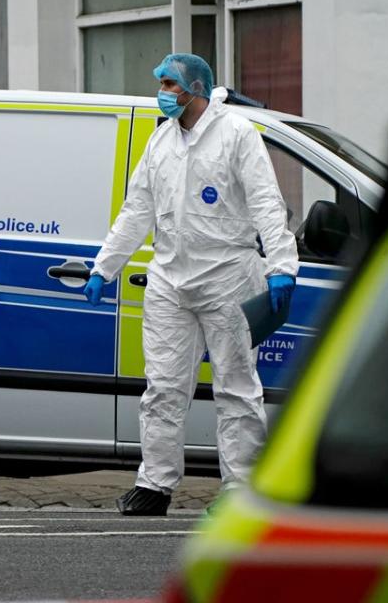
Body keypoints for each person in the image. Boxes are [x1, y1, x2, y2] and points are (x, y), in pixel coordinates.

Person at [84, 54, 298, 516]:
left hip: (228, 278)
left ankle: (241, 491)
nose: (161, 91)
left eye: (169, 82)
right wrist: (106, 266)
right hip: (169, 280)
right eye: (160, 81)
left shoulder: (236, 135)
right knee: (162, 387)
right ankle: (154, 484)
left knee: (236, 387)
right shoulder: (162, 140)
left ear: (196, 88)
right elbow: (137, 208)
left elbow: (265, 199)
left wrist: (281, 263)